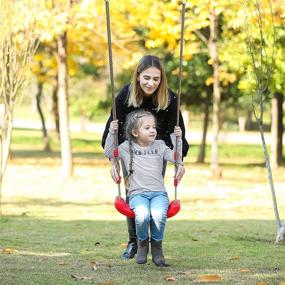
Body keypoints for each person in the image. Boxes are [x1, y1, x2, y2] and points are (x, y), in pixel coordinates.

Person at [101, 55, 189, 259]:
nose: (151, 83)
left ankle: (156, 243)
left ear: (162, 79)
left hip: (158, 150)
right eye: (146, 77)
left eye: (156, 79)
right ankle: (135, 242)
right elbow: (113, 127)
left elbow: (177, 131)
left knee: (154, 190)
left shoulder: (170, 98)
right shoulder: (126, 94)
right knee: (134, 192)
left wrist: (178, 162)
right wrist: (113, 161)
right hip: (129, 149)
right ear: (138, 76)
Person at [104, 110, 183, 266]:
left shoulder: (160, 146)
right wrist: (111, 132)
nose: (152, 130)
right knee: (142, 215)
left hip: (158, 193)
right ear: (135, 132)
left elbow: (176, 158)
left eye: (153, 127)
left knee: (159, 214)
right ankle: (142, 245)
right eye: (147, 128)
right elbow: (109, 152)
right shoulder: (126, 147)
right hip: (137, 194)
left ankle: (157, 248)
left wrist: (177, 138)